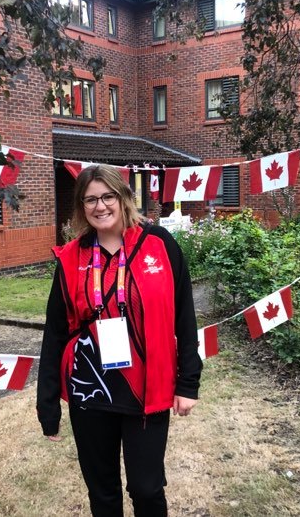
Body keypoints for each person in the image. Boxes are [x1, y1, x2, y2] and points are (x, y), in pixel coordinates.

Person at [37, 164, 202, 516]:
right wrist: (47, 405)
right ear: (82, 207)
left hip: (148, 388)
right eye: (90, 200)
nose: (100, 206)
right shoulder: (71, 258)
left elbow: (184, 318)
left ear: (124, 198)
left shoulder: (159, 244)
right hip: (90, 390)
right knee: (102, 493)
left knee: (147, 489)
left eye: (107, 196)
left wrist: (189, 382)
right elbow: (54, 334)